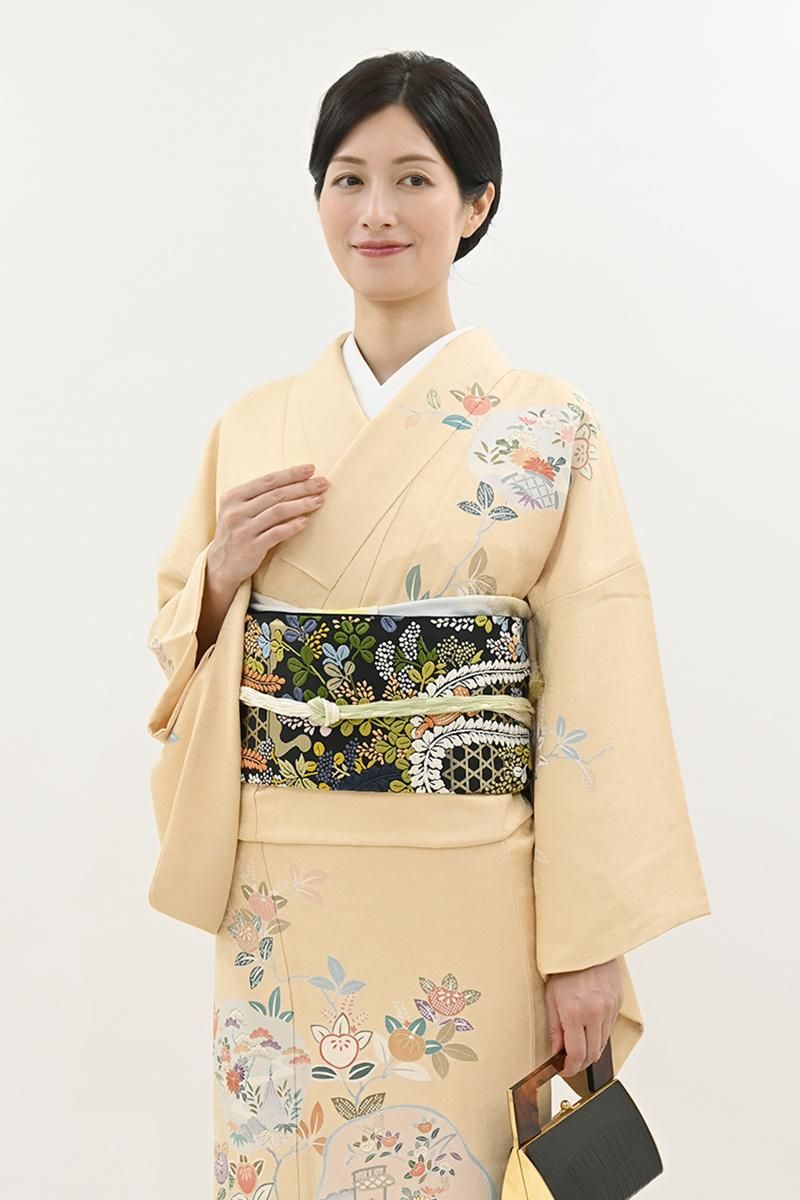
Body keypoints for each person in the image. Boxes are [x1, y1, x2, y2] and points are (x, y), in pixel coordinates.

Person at [145, 50, 711, 1200]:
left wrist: (585, 943)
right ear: (317, 199)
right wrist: (217, 575)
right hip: (285, 890)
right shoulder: (252, 426)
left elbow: (598, 682)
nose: (376, 211)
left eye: (413, 178)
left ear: (475, 202)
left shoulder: (546, 428)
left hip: (472, 892)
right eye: (347, 179)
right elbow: (178, 651)